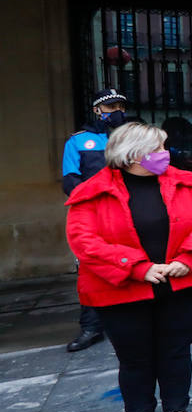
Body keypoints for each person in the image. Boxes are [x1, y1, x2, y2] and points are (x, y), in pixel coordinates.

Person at [65, 123, 192, 412]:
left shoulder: (183, 182)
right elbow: (85, 242)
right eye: (158, 150)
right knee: (135, 358)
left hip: (181, 283)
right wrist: (138, 267)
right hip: (122, 290)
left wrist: (189, 257)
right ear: (133, 156)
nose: (166, 155)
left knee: (176, 351)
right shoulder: (93, 192)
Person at [60, 87, 130, 352]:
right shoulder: (78, 141)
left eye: (121, 108)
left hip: (128, 210)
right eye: (112, 108)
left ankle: (131, 319)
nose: (118, 113)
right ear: (97, 110)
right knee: (91, 270)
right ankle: (92, 327)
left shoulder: (129, 138)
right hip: (94, 212)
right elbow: (70, 181)